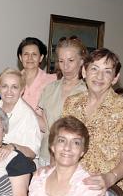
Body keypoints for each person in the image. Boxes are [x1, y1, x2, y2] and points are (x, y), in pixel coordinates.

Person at [62, 48, 123, 196]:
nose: (99, 77)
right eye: (94, 69)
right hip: (73, 188)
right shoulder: (71, 103)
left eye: (107, 72)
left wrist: (109, 178)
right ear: (84, 71)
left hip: (107, 194)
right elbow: (62, 144)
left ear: (115, 78)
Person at [36, 37, 87, 166]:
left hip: (72, 157)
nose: (66, 66)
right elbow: (45, 125)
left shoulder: (87, 91)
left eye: (71, 60)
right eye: (61, 61)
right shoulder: (50, 88)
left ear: (81, 61)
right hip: (47, 154)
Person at [0, 68, 41, 160]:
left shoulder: (28, 115)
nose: (9, 91)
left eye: (14, 87)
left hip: (19, 165)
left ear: (22, 90)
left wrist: (13, 147)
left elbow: (32, 152)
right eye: (4, 86)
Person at [18, 37, 56, 110]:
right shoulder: (13, 80)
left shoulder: (52, 80)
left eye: (34, 54)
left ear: (41, 57)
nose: (30, 58)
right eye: (26, 54)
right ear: (20, 57)